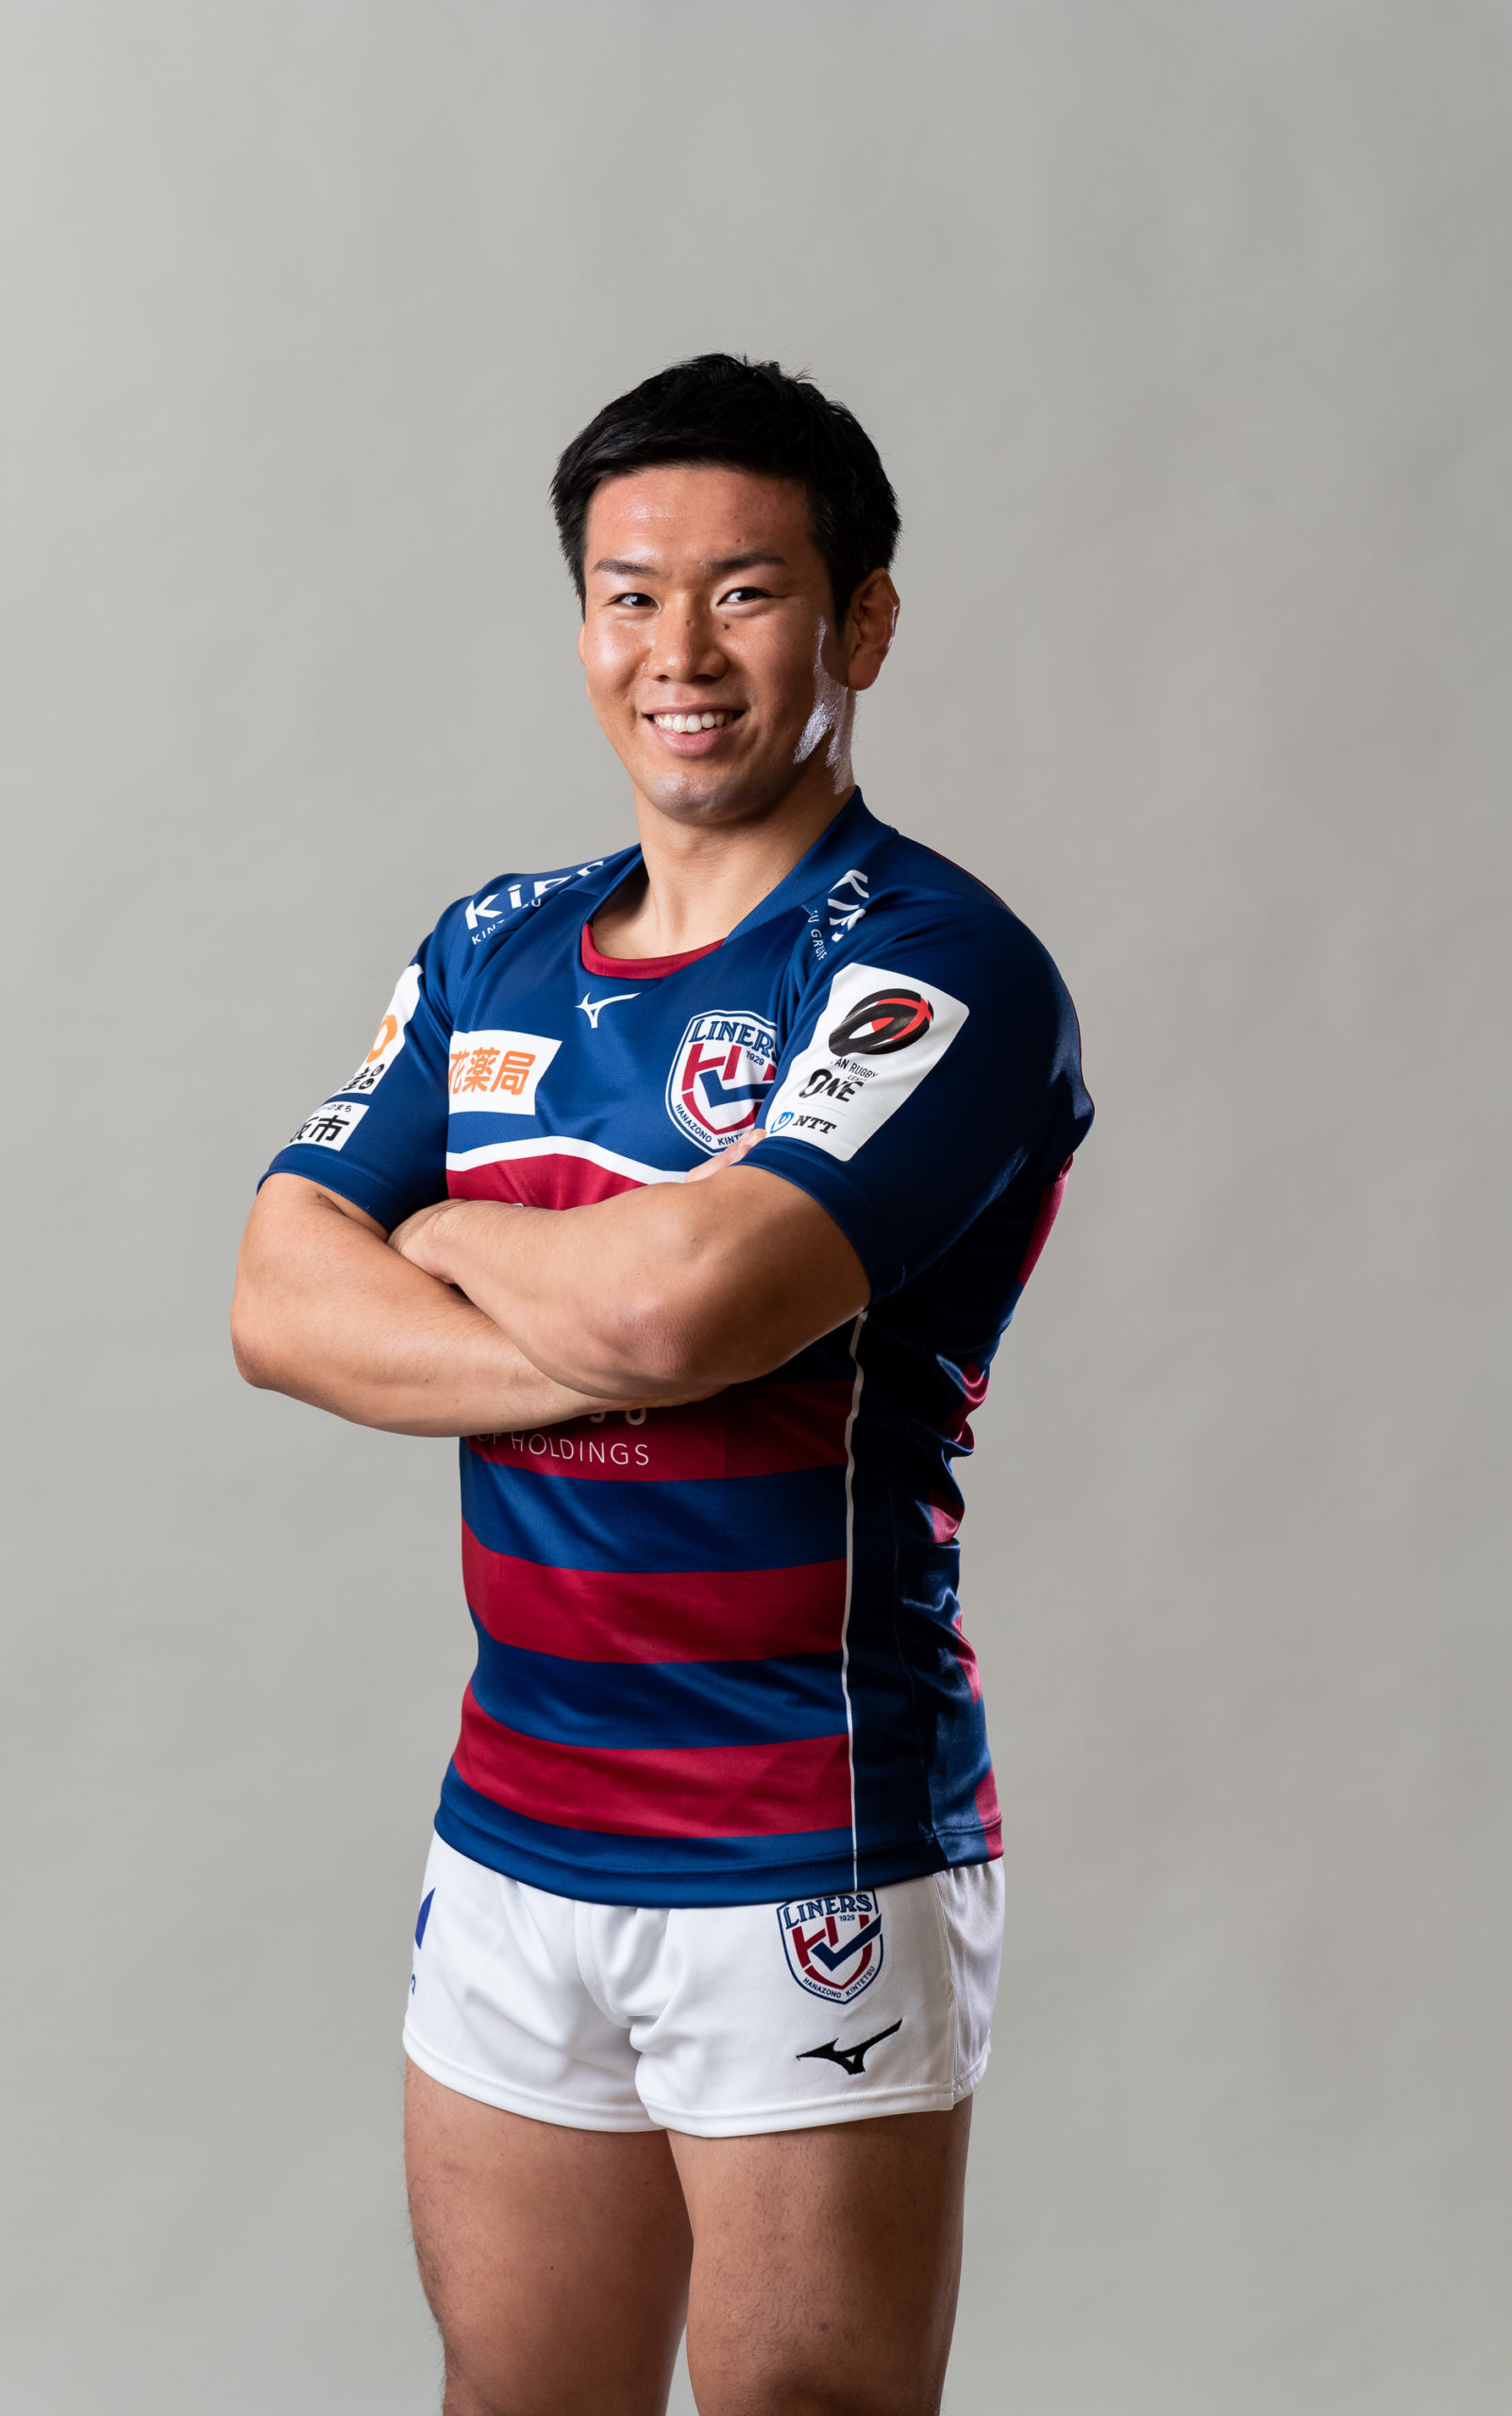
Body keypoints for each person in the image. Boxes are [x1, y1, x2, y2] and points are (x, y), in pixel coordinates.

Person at [232, 354, 1093, 2416]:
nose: (677, 652)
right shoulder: (492, 948)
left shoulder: (934, 964)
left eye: (745, 590)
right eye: (628, 595)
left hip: (803, 1833)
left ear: (861, 622)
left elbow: (691, 1310)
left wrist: (445, 1228)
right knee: (514, 2391)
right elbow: (277, 1296)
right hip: (514, 1824)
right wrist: (596, 1292)